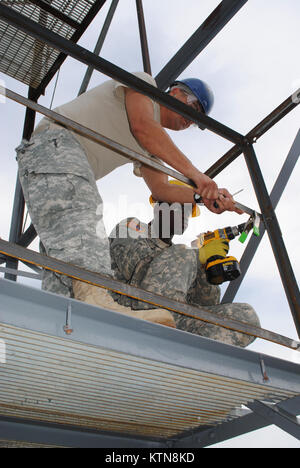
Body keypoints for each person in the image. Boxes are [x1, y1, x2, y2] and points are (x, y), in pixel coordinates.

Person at [15, 72, 242, 325]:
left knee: (63, 248)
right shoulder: (143, 85)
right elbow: (143, 127)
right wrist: (199, 177)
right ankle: (95, 298)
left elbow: (162, 191)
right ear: (176, 91)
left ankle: (62, 321)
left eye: (197, 118)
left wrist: (204, 198)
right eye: (193, 106)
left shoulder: (149, 147)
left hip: (59, 161)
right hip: (57, 143)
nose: (190, 119)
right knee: (83, 221)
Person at [108, 187, 260, 347]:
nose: (185, 214)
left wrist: (205, 267)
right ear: (159, 207)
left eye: (189, 210)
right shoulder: (133, 227)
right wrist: (196, 256)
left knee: (246, 317)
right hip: (133, 312)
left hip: (173, 325)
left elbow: (206, 303)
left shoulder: (182, 258)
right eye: (179, 206)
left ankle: (186, 357)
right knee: (184, 252)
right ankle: (154, 338)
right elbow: (135, 268)